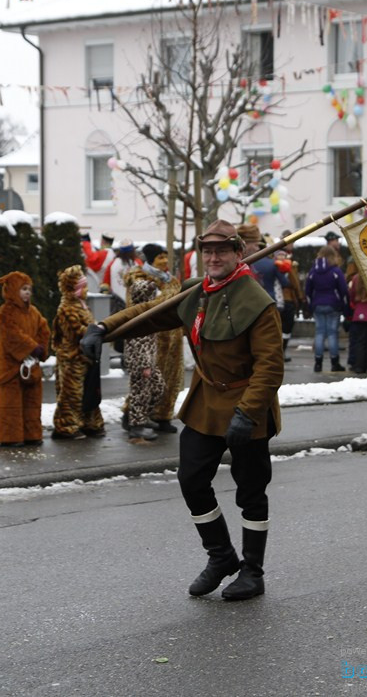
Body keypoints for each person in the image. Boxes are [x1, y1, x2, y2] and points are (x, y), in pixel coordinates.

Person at [82, 219, 283, 600]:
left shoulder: (258, 302)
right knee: (191, 480)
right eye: (207, 251)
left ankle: (253, 572)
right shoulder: (197, 292)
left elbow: (271, 366)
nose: (213, 257)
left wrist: (248, 412)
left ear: (238, 253)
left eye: (221, 251)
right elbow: (148, 315)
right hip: (206, 403)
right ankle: (221, 556)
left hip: (246, 406)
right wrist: (102, 328)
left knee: (251, 493)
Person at [123, 243, 184, 434]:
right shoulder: (140, 279)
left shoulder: (172, 280)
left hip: (173, 337)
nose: (165, 261)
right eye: (160, 257)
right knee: (145, 381)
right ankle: (132, 415)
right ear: (150, 260)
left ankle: (163, 416)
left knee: (171, 379)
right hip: (151, 338)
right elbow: (139, 306)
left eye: (166, 257)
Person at [0, 271, 50, 447]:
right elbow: (11, 334)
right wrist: (32, 347)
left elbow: (43, 329)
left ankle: (32, 433)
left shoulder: (34, 312)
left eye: (29, 289)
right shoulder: (5, 312)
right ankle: (10, 436)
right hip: (11, 367)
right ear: (13, 290)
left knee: (32, 401)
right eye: (23, 289)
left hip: (31, 365)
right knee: (11, 403)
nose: (27, 292)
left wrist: (40, 347)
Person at [51, 265, 104, 439]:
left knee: (88, 392)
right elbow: (78, 330)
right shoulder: (67, 308)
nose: (87, 290)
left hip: (85, 358)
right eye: (84, 287)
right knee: (71, 395)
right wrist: (96, 330)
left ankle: (90, 423)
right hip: (72, 358)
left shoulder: (81, 306)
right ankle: (66, 426)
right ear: (76, 289)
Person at [122, 279, 165, 442]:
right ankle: (137, 427)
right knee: (140, 394)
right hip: (140, 364)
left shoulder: (147, 312)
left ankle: (137, 417)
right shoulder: (137, 315)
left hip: (148, 361)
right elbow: (138, 343)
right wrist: (144, 365)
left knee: (158, 387)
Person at [304, 245, 348, 373]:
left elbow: (307, 291)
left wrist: (311, 305)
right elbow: (343, 289)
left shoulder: (313, 271)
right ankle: (335, 363)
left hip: (317, 304)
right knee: (332, 333)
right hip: (333, 305)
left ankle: (318, 363)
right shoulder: (335, 271)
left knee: (319, 333)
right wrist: (342, 304)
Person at [238, 224, 289, 305]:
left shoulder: (248, 266)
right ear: (244, 245)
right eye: (255, 244)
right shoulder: (235, 267)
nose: (257, 248)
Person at [275, 241, 305, 363]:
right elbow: (295, 283)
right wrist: (300, 297)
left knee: (277, 328)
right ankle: (282, 352)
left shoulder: (273, 265)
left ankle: (277, 352)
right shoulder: (290, 265)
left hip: (275, 300)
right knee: (286, 329)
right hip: (287, 300)